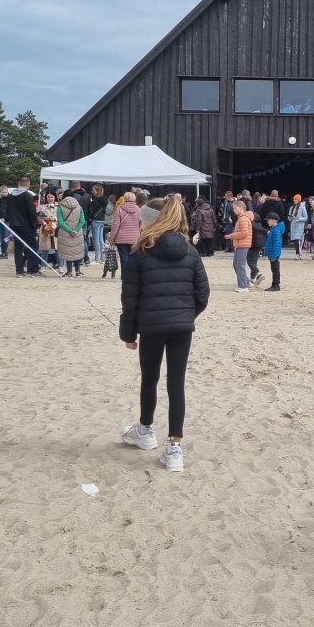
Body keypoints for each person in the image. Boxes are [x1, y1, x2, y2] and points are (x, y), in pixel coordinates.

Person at [118, 198, 209, 472]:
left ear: (150, 220)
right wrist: (185, 316)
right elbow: (202, 295)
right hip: (180, 327)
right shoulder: (191, 252)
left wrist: (128, 334)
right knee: (176, 383)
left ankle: (146, 430)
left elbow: (130, 300)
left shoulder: (140, 253)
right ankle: (173, 448)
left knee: (150, 378)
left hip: (153, 326)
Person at [0, 177, 42, 276]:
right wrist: (35, 222)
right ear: (28, 185)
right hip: (26, 224)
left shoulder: (11, 196)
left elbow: (8, 210)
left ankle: (19, 271)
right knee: (32, 246)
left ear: (19, 184)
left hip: (14, 224)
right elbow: (31, 211)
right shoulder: (28, 195)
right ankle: (34, 270)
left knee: (18, 248)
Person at [110, 190, 142, 267]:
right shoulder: (138, 209)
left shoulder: (119, 209)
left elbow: (115, 225)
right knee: (133, 258)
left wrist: (112, 239)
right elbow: (141, 224)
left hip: (121, 239)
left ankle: (124, 273)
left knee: (123, 258)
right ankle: (131, 273)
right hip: (135, 238)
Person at [226, 199, 253, 291]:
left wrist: (232, 236)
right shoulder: (242, 218)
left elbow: (245, 233)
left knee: (240, 265)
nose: (234, 210)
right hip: (240, 244)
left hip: (242, 244)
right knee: (236, 264)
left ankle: (243, 286)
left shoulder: (243, 219)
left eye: (235, 208)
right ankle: (246, 282)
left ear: (241, 208)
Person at [56, 195, 87, 275]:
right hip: (78, 232)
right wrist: (76, 230)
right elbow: (82, 221)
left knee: (67, 252)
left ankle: (69, 272)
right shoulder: (79, 207)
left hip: (64, 232)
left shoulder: (60, 207)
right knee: (77, 251)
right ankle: (78, 271)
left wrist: (69, 231)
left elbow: (60, 222)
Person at [263, 211, 285, 291]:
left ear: (274, 220)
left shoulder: (275, 230)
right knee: (274, 270)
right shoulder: (274, 229)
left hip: (274, 254)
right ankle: (275, 285)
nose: (267, 221)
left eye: (269, 220)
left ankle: (275, 285)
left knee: (275, 270)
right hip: (272, 253)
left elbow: (277, 244)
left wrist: (274, 255)